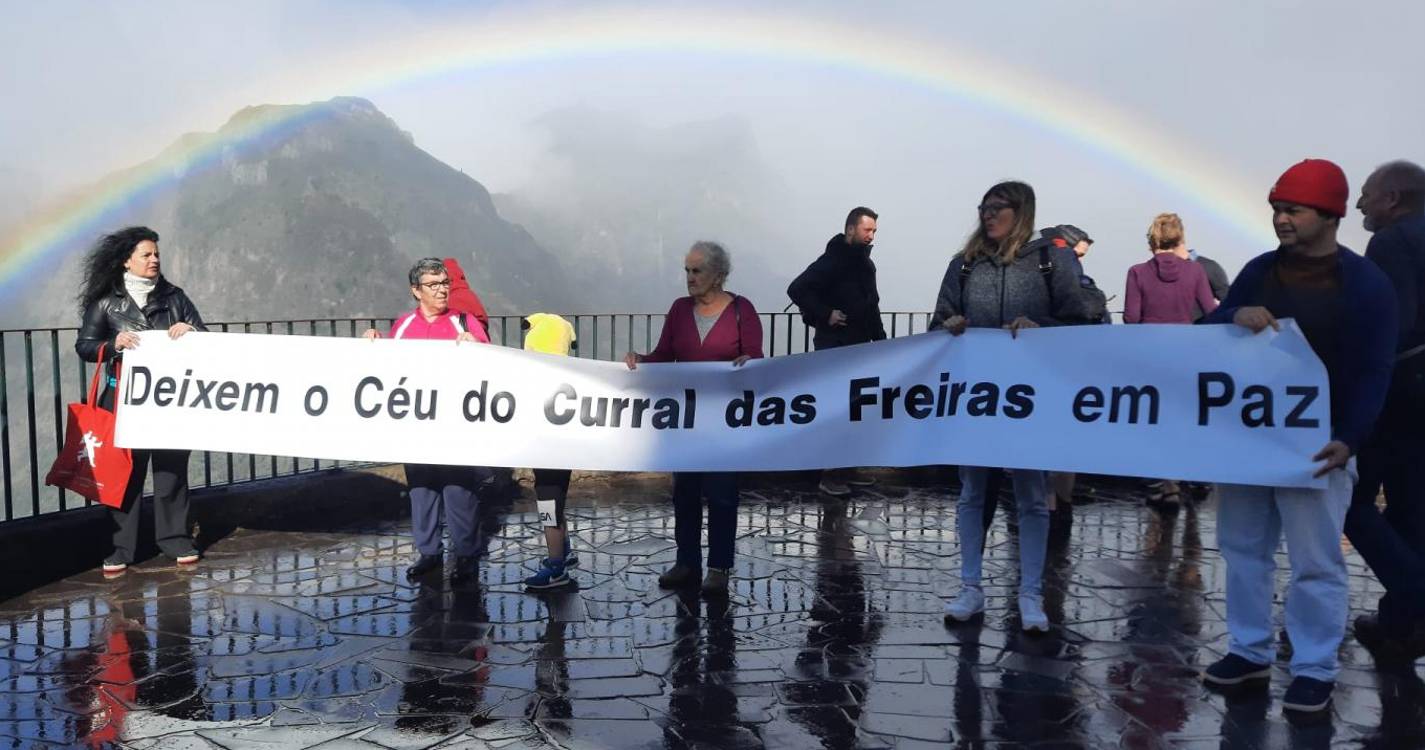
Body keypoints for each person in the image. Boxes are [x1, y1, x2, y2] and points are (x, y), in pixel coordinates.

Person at [1199, 159, 1397, 713]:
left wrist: (1350, 438)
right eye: (1276, 210)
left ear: (1329, 215)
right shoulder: (1258, 271)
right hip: (1249, 443)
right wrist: (1233, 315)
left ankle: (1314, 667)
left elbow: (1375, 369)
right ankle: (1249, 650)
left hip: (1320, 446)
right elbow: (1204, 332)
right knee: (1242, 549)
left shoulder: (1366, 284)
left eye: (1293, 210)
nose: (1281, 219)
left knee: (1316, 562)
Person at [929, 181, 1098, 633]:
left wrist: (1041, 326)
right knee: (972, 492)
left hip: (1029, 397)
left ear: (1021, 212)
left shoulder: (1051, 261)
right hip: (977, 396)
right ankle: (970, 587)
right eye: (984, 207)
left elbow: (1079, 320)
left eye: (997, 208)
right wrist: (949, 324)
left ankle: (1030, 594)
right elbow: (936, 324)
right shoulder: (963, 264)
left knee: (1032, 496)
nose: (987, 215)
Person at [625, 241, 763, 595]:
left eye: (696, 270)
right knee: (684, 493)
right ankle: (687, 562)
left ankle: (719, 567)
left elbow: (756, 356)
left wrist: (748, 362)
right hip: (685, 421)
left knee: (722, 494)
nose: (689, 277)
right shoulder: (679, 309)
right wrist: (641, 360)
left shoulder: (742, 310)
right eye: (687, 270)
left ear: (718, 275)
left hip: (724, 423)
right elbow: (664, 355)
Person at [75, 226, 205, 574]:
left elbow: (205, 337)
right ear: (126, 261)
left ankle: (175, 540)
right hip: (122, 402)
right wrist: (112, 344)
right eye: (146, 254)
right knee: (124, 474)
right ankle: (123, 548)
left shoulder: (175, 297)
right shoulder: (106, 303)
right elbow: (85, 346)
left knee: (171, 471)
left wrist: (191, 331)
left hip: (170, 401)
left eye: (156, 254)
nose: (154, 259)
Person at [363, 258, 489, 584]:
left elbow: (492, 362)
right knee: (422, 490)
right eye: (433, 285)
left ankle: (466, 555)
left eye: (444, 283)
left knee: (459, 491)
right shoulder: (403, 326)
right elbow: (389, 367)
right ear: (416, 291)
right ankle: (429, 552)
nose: (442, 290)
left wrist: (477, 346)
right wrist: (374, 342)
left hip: (455, 425)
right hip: (417, 426)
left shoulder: (464, 322)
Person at [1344, 159, 1425, 663]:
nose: (1359, 204)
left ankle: (1415, 595)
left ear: (1392, 198)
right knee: (1411, 509)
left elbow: (1392, 327)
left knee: (1349, 500)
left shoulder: (1392, 242)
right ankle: (1399, 628)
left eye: (1367, 194)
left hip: (1400, 395)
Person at [787, 207, 886, 497]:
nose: (871, 236)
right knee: (836, 410)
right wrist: (826, 313)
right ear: (851, 229)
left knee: (854, 410)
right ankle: (830, 475)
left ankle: (846, 470)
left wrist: (881, 340)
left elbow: (872, 305)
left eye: (874, 231)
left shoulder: (866, 264)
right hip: (834, 346)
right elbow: (797, 288)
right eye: (867, 230)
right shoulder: (832, 260)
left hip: (858, 347)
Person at [1123, 213, 1219, 509]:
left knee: (1152, 420)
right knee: (1181, 418)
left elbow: (1131, 318)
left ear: (1151, 239)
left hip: (1150, 356)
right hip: (1186, 354)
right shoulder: (1196, 270)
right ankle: (1181, 478)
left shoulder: (1137, 272)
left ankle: (1161, 485)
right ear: (1180, 237)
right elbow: (1210, 310)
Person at [521, 313, 582, 590]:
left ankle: (556, 568)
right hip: (563, 451)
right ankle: (564, 551)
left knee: (549, 505)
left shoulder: (536, 378)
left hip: (547, 452)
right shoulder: (572, 377)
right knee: (557, 499)